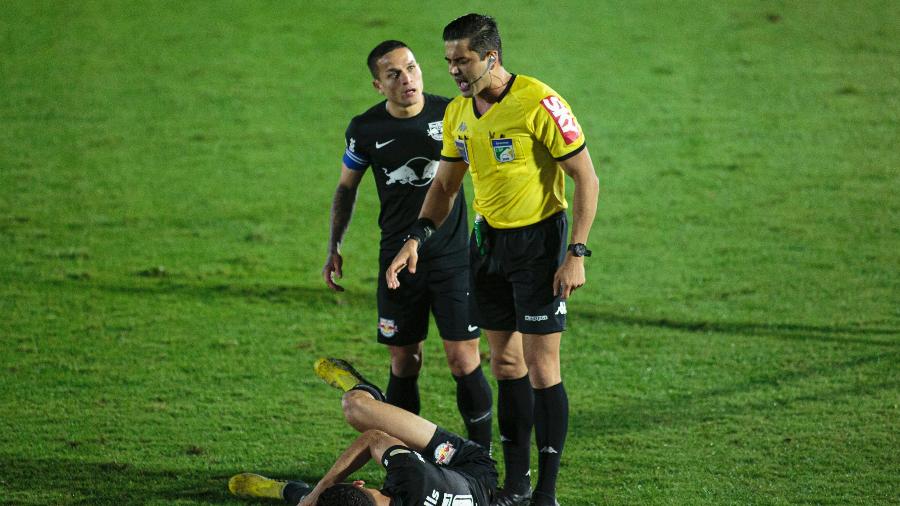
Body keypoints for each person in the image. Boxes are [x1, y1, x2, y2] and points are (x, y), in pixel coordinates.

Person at [386, 14, 600, 506]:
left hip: (541, 245)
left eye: (463, 60)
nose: (454, 70)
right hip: (488, 248)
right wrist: (416, 236)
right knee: (505, 363)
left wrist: (577, 253)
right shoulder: (460, 115)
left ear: (492, 57)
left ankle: (545, 493)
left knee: (544, 367)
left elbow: (586, 178)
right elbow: (444, 186)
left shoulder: (540, 102)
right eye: (448, 62)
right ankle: (516, 483)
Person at [321, 40, 493, 448]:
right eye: (394, 74)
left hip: (452, 259)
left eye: (412, 68)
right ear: (378, 85)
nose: (407, 79)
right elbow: (346, 189)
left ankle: (482, 458)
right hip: (395, 262)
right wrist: (334, 245)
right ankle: (409, 455)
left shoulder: (452, 113)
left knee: (463, 360)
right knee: (404, 361)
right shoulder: (365, 129)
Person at [228, 358, 498, 505]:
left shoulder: (410, 479)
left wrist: (314, 495)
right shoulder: (410, 476)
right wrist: (321, 489)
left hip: (446, 482)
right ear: (358, 483)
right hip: (469, 468)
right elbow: (373, 438)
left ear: (359, 483)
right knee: (356, 408)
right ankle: (366, 392)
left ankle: (284, 491)